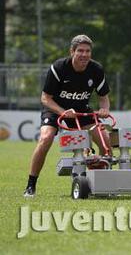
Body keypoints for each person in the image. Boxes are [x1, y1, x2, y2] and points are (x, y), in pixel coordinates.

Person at [23, 34, 111, 197]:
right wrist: (63, 112)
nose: (84, 55)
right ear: (72, 51)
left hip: (82, 111)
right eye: (80, 51)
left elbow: (103, 98)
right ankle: (31, 185)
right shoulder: (59, 67)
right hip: (56, 110)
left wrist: (104, 109)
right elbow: (45, 98)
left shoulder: (96, 69)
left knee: (105, 141)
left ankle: (102, 184)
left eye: (88, 51)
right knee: (45, 138)